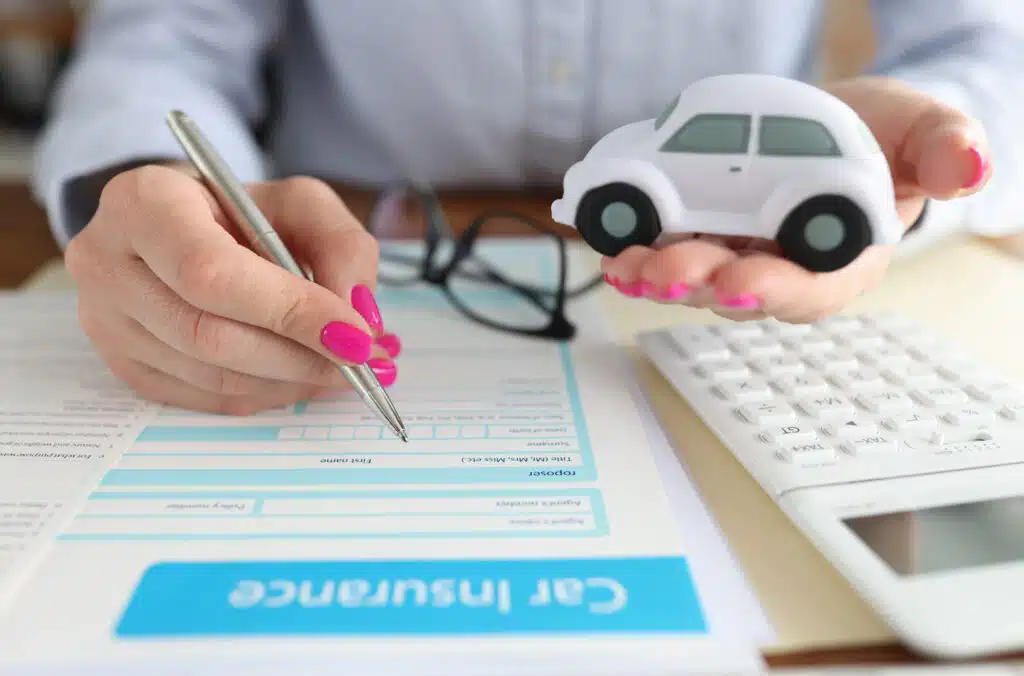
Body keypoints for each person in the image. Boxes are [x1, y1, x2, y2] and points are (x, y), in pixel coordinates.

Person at [30, 1, 1024, 415]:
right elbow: (162, 44)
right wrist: (156, 185)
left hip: (764, 288)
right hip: (334, 243)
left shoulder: (717, 159)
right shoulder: (655, 157)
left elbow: (988, 45)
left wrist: (923, 155)